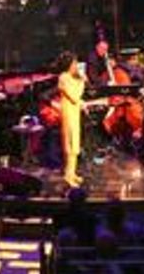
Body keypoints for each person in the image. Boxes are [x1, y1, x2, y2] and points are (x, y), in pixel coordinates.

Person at [57, 52, 85, 187]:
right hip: (68, 114)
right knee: (70, 144)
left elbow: (77, 99)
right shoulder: (63, 78)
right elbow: (74, 96)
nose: (76, 66)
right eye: (74, 63)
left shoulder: (70, 77)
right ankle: (68, 176)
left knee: (75, 144)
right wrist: (82, 82)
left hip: (74, 113)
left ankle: (72, 173)